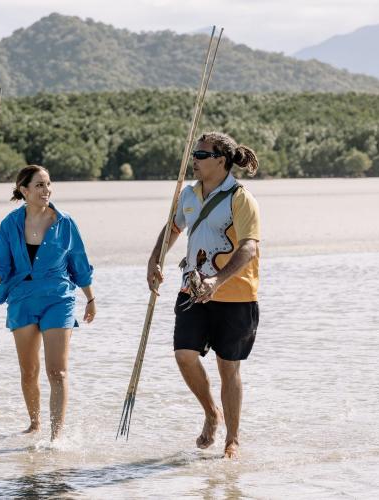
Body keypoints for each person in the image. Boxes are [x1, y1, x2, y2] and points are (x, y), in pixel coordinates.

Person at [147, 131, 261, 459]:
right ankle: (212, 412)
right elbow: (173, 228)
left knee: (229, 368)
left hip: (235, 294)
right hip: (192, 288)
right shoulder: (188, 194)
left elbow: (249, 248)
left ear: (221, 161)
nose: (193, 160)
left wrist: (218, 282)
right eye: (194, 154)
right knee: (184, 354)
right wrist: (155, 259)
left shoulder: (240, 198)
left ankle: (232, 440)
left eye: (200, 155)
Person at [0, 165, 96, 440]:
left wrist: (90, 298)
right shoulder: (10, 224)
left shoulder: (65, 223)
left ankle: (56, 436)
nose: (46, 190)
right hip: (23, 299)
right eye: (39, 185)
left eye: (48, 184)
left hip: (58, 299)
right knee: (29, 371)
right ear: (24, 191)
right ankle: (35, 423)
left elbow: (79, 263)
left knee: (57, 371)